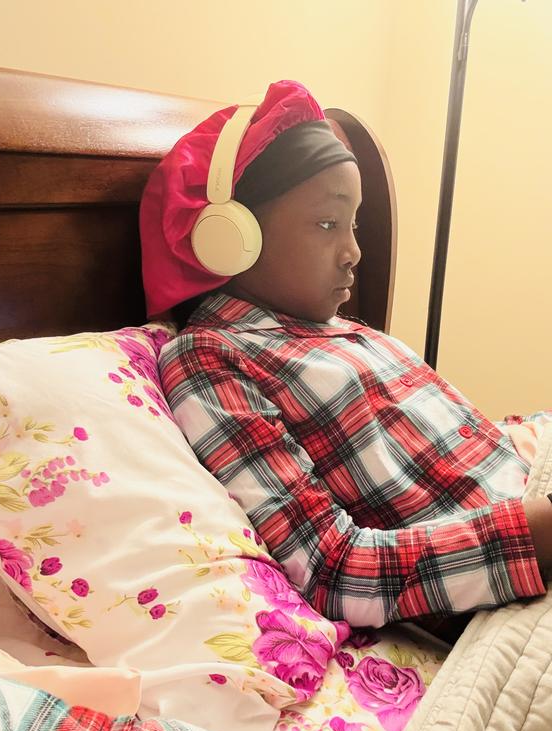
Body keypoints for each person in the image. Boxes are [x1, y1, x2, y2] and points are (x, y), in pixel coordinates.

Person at [139, 79, 552, 629]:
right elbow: (334, 569)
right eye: (327, 224)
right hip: (521, 568)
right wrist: (543, 530)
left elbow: (470, 448)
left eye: (352, 225)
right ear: (231, 236)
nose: (354, 251)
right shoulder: (213, 358)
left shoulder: (346, 332)